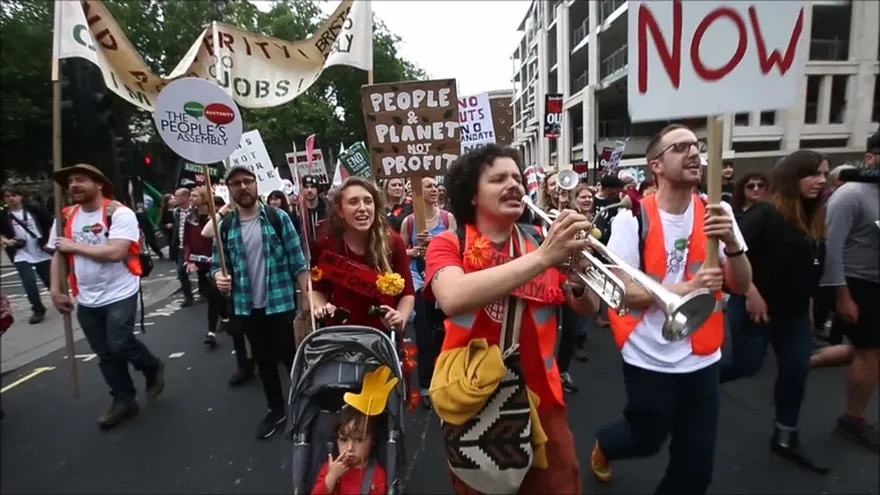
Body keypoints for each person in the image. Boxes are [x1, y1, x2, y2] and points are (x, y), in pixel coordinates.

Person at [425, 144, 599, 494]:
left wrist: (581, 281)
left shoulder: (541, 240)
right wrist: (544, 259)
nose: (515, 185)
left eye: (518, 178)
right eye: (499, 178)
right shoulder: (448, 243)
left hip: (544, 400)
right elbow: (452, 297)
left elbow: (588, 310)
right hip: (475, 397)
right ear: (472, 195)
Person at [590, 124, 751, 494]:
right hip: (649, 356)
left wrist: (732, 243)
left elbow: (741, 284)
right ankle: (607, 444)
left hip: (702, 357)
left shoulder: (719, 210)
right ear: (656, 166)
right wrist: (687, 288)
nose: (694, 153)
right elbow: (621, 293)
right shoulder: (632, 219)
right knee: (645, 440)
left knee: (695, 470)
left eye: (696, 146)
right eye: (680, 148)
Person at [720, 150, 830, 473]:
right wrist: (750, 292)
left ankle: (786, 435)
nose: (821, 180)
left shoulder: (813, 217)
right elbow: (731, 257)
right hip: (757, 308)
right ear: (792, 178)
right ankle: (696, 384)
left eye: (824, 173)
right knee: (746, 365)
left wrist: (809, 305)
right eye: (813, 174)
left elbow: (809, 267)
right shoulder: (763, 215)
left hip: (794, 312)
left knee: (797, 369)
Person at [48, 163, 165, 428]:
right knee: (105, 353)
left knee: (119, 342)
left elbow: (116, 252)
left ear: (99, 184)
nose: (74, 185)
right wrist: (55, 292)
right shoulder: (64, 217)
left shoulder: (119, 214)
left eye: (81, 180)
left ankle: (151, 366)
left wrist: (73, 245)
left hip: (120, 291)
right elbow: (58, 255)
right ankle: (124, 400)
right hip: (87, 297)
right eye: (71, 182)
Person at [213, 164, 309, 439]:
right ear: (230, 190)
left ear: (256, 185)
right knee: (264, 361)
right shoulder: (226, 226)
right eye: (236, 184)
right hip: (246, 306)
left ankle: (305, 405)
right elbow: (217, 264)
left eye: (247, 181)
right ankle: (276, 409)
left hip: (280, 303)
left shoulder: (278, 218)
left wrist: (305, 298)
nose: (243, 187)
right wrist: (219, 276)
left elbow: (297, 260)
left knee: (291, 356)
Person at [813, 132, 880, 451]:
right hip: (856, 284)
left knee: (867, 351)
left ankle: (802, 362)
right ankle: (853, 419)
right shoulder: (850, 195)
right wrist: (842, 296)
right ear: (870, 157)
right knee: (868, 352)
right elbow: (832, 249)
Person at [310, 177, 415, 333]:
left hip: (383, 338)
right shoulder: (324, 245)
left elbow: (407, 293)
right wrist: (322, 307)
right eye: (353, 202)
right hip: (340, 336)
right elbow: (315, 289)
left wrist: (400, 317)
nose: (362, 208)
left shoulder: (393, 242)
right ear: (340, 210)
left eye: (368, 201)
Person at [399, 176, 455, 404]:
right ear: (417, 193)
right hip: (418, 281)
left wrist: (436, 242)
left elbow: (457, 247)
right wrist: (411, 253)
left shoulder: (447, 218)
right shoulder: (409, 222)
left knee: (445, 331)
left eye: (435, 186)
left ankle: (447, 377)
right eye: (428, 186)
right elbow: (400, 251)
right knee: (422, 334)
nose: (434, 189)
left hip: (441, 278)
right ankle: (425, 384)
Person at [182, 187, 227, 348]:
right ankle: (226, 316)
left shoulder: (214, 215)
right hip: (199, 262)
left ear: (203, 198)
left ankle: (211, 332)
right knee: (209, 294)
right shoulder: (189, 218)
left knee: (214, 295)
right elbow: (186, 240)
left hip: (215, 261)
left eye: (194, 195)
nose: (191, 197)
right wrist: (188, 259)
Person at [1, 187, 53, 324]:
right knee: (29, 282)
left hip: (41, 250)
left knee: (50, 281)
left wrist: (50, 242)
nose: (11, 198)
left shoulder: (34, 210)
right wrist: (7, 241)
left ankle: (59, 299)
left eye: (13, 195)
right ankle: (38, 309)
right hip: (20, 253)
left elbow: (50, 224)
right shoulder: (3, 215)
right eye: (7, 196)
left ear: (20, 196)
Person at [311, 406, 387, 495]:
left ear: (372, 441)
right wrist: (332, 477)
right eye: (343, 440)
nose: (350, 448)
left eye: (359, 440)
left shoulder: (377, 474)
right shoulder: (330, 468)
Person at [171, 187, 195, 306]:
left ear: (186, 197)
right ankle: (188, 296)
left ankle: (205, 292)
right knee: (181, 272)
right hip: (182, 247)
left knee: (202, 270)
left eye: (178, 196)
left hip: (195, 245)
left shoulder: (195, 210)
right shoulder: (176, 212)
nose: (175, 199)